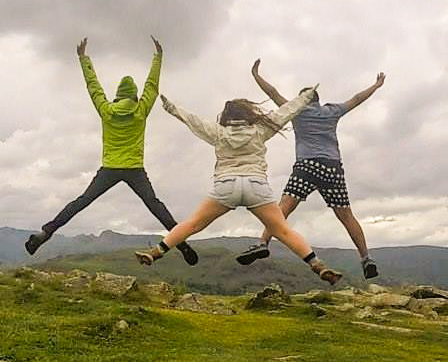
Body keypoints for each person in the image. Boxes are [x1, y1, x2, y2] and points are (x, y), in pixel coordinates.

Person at [133, 85, 343, 285]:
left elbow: (193, 121)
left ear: (226, 117)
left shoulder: (218, 132)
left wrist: (171, 108)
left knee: (193, 224)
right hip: (256, 186)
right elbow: (286, 112)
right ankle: (318, 265)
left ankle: (155, 252)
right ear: (249, 114)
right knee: (283, 231)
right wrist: (306, 96)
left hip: (226, 186)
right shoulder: (260, 129)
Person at [25, 36, 198, 265]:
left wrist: (83, 59)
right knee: (155, 205)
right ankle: (181, 243)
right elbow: (152, 87)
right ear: (134, 95)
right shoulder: (140, 111)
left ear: (118, 94)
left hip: (109, 168)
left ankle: (46, 232)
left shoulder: (106, 110)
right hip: (134, 169)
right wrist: (158, 57)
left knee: (82, 201)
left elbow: (94, 87)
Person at [235, 59, 385, 279]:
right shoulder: (332, 111)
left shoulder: (297, 111)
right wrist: (376, 85)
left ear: (302, 100)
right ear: (318, 99)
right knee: (346, 215)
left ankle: (262, 243)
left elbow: (273, 92)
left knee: (283, 208)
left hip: (306, 165)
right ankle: (366, 258)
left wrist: (256, 75)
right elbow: (356, 99)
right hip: (332, 168)